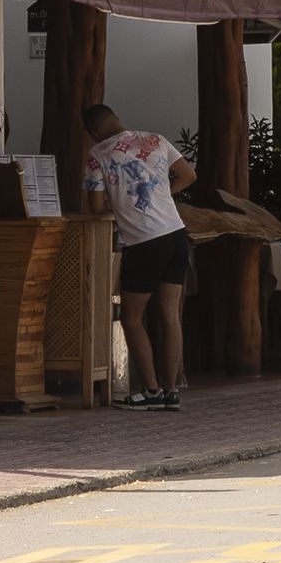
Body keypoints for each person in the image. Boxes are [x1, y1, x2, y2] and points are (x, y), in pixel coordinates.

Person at [80, 101, 196, 410]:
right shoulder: (155, 140)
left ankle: (150, 390)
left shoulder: (98, 155)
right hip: (176, 234)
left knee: (132, 318)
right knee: (170, 315)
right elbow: (188, 175)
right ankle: (172, 392)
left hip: (144, 241)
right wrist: (159, 193)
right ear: (118, 119)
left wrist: (122, 203)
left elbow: (94, 207)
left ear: (93, 133)